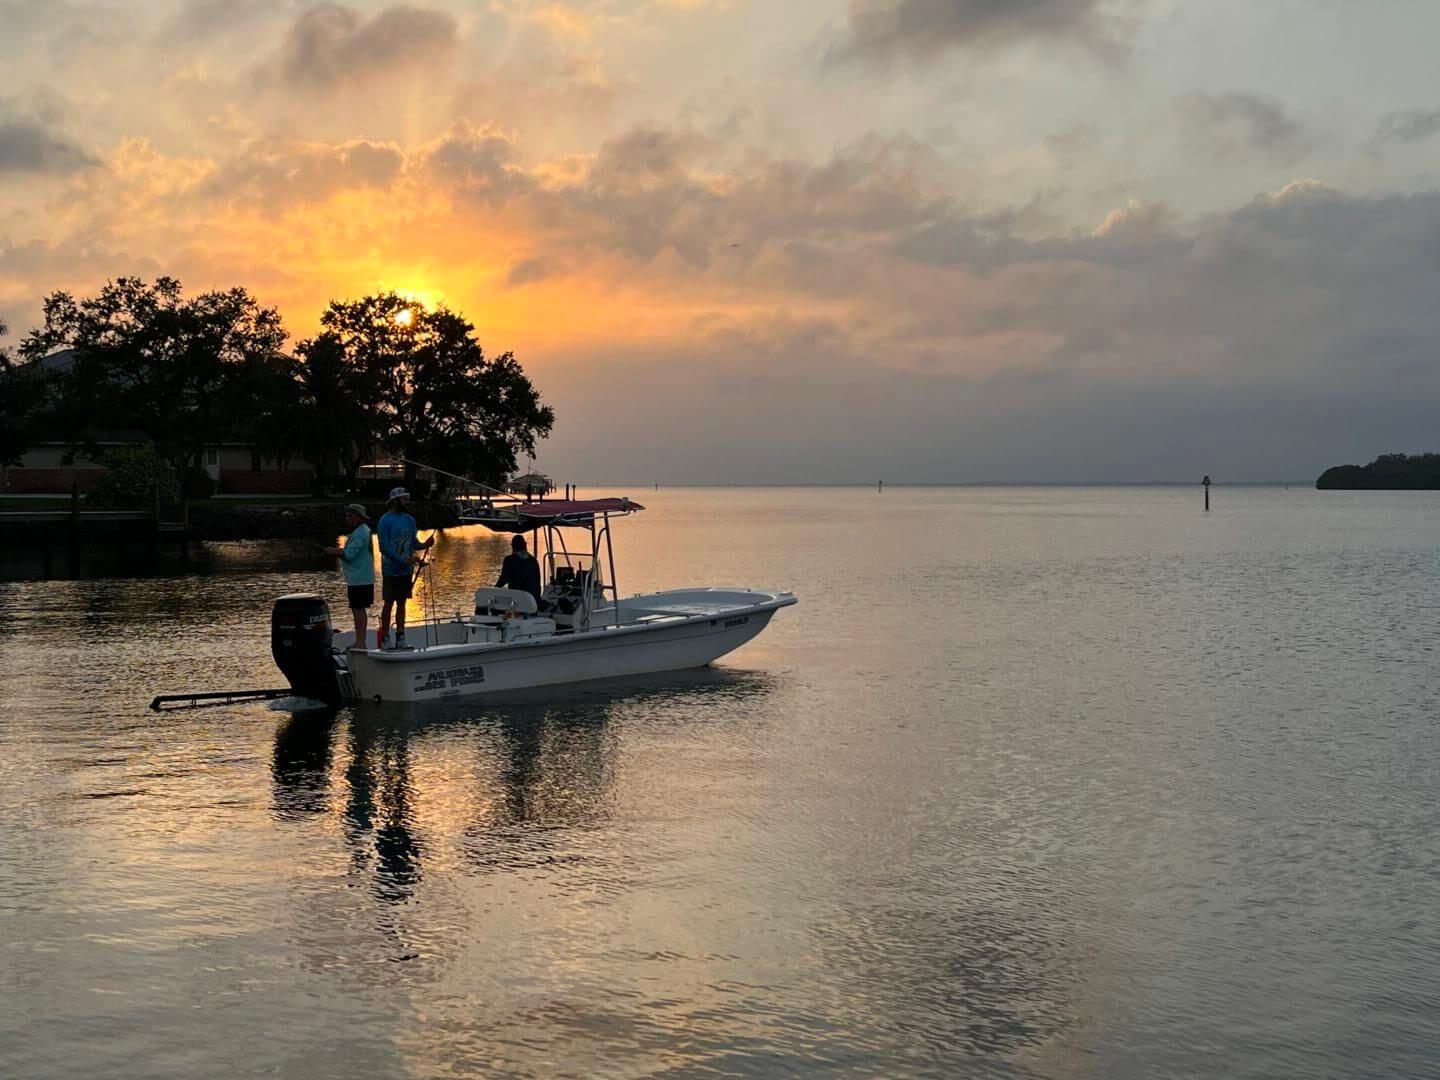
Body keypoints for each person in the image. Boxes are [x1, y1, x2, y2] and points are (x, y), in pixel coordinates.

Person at [376, 487, 434, 650]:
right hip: (391, 570)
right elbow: (384, 548)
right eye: (404, 499)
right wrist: (403, 560)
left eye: (407, 499)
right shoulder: (385, 520)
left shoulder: (409, 520)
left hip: (406, 571)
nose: (406, 502)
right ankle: (386, 637)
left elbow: (414, 543)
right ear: (395, 500)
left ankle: (400, 636)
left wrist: (425, 544)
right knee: (388, 603)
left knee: (402, 603)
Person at [322, 503, 374, 647]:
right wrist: (337, 552)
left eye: (350, 516)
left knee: (357, 610)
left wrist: (332, 551)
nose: (347, 518)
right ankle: (361, 641)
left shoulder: (360, 533)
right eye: (346, 515)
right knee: (359, 609)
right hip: (362, 578)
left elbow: (349, 554)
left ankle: (360, 642)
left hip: (359, 579)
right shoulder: (363, 531)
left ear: (358, 517)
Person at [495, 533, 542, 606]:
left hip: (517, 601)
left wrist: (494, 589)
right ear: (525, 545)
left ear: (513, 547)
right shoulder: (534, 561)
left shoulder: (509, 560)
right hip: (533, 601)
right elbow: (537, 584)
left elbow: (503, 579)